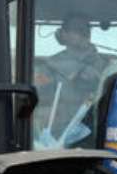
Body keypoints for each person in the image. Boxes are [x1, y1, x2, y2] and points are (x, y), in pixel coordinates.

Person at [39, 14, 109, 143]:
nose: (83, 33)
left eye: (85, 29)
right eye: (76, 29)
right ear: (63, 34)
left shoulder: (106, 65)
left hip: (98, 133)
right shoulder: (50, 66)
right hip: (58, 136)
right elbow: (37, 102)